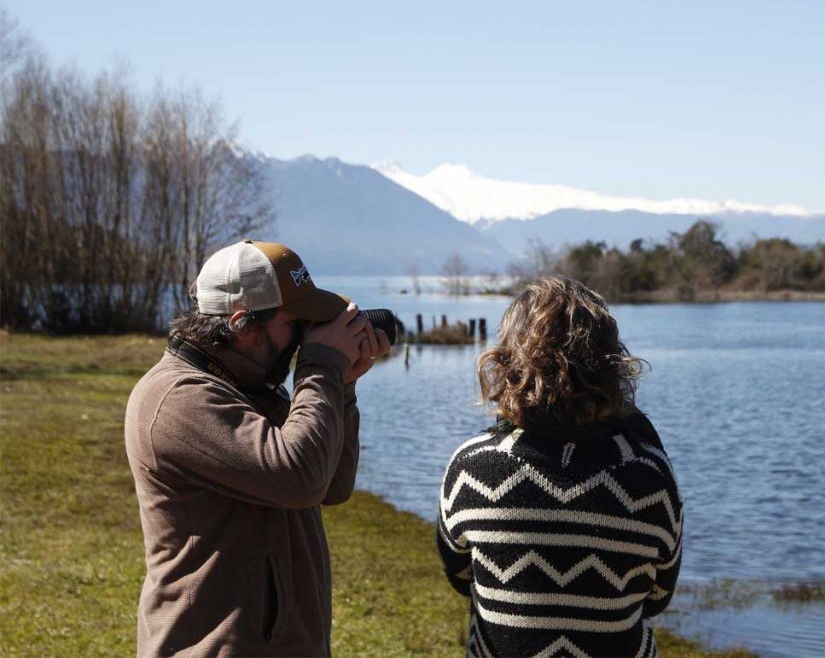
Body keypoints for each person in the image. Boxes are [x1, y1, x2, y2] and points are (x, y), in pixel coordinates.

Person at [125, 240, 389, 657]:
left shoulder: (252, 388)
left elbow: (331, 484)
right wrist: (320, 366)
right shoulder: (178, 397)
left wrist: (342, 386)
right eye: (296, 322)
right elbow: (298, 478)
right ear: (242, 324)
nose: (306, 336)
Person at [436, 276, 683, 658]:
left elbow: (460, 577)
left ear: (506, 363)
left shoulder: (471, 467)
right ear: (610, 363)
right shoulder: (648, 474)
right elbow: (657, 596)